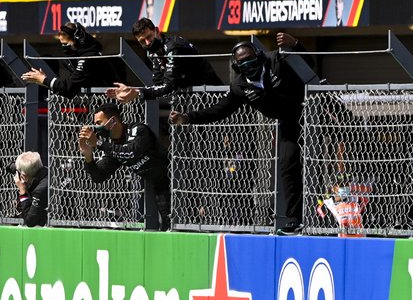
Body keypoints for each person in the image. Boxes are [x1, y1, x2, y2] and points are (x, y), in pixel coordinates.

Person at [169, 32, 310, 234]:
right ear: (236, 66)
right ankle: (295, 220)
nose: (247, 64)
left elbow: (308, 65)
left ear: (259, 56)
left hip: (312, 109)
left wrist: (296, 44)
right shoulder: (239, 86)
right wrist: (187, 117)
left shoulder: (276, 60)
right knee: (288, 164)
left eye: (249, 59)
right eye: (241, 62)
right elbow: (219, 110)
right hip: (289, 122)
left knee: (343, 143)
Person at [79, 102, 171, 230]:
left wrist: (99, 143)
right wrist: (88, 156)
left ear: (112, 121)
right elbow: (99, 176)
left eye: (99, 123)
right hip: (160, 187)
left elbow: (131, 152)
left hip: (177, 179)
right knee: (168, 226)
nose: (95, 127)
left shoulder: (138, 129)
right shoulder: (113, 147)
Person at [106, 18, 222, 104]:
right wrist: (131, 90)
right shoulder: (154, 52)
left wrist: (137, 92)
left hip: (212, 96)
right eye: (142, 41)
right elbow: (159, 85)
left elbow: (169, 87)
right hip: (189, 100)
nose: (147, 43)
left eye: (149, 37)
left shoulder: (173, 47)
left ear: (157, 31)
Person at [21, 22, 120, 97]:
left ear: (78, 41)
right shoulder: (70, 60)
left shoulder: (89, 57)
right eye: (62, 44)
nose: (65, 47)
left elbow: (68, 88)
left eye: (66, 44)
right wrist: (43, 81)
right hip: (95, 102)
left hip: (110, 101)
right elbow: (69, 91)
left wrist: (44, 79)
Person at [12, 151, 50, 227]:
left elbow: (30, 221)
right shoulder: (45, 173)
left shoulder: (40, 190)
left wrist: (23, 193)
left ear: (23, 176)